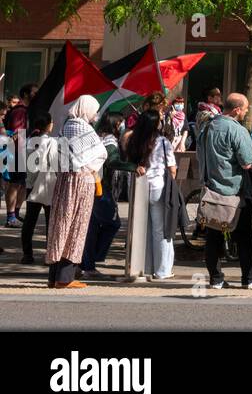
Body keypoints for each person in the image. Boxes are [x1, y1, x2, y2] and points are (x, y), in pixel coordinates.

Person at [198, 92, 252, 290]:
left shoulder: (207, 127)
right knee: (244, 237)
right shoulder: (238, 131)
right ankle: (248, 279)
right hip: (236, 193)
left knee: (213, 236)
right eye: (244, 109)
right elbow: (247, 162)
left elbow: (201, 157)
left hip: (211, 190)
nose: (245, 113)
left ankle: (216, 278)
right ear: (236, 110)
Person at [44, 95, 108, 289]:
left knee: (60, 225)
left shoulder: (66, 125)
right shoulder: (83, 128)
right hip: (81, 181)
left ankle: (54, 276)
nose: (95, 114)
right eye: (94, 110)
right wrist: (90, 167)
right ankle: (65, 278)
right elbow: (100, 152)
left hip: (64, 180)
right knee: (76, 227)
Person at [124, 108, 179, 282]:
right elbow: (172, 168)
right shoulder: (163, 142)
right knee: (159, 230)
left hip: (139, 187)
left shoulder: (132, 140)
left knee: (142, 230)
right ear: (156, 123)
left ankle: (145, 267)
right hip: (158, 187)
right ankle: (162, 270)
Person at [81, 112, 129, 278]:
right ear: (116, 125)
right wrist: (131, 166)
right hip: (102, 189)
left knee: (92, 227)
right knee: (112, 223)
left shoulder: (98, 137)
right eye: (121, 123)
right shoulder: (110, 143)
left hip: (94, 187)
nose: (123, 126)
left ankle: (87, 264)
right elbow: (112, 162)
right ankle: (93, 258)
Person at [19, 109, 58, 265]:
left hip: (31, 185)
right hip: (48, 185)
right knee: (51, 222)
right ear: (48, 125)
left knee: (29, 220)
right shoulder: (52, 142)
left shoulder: (29, 141)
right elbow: (55, 163)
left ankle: (27, 254)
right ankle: (49, 255)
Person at [4, 83, 35, 227]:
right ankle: (10, 217)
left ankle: (15, 214)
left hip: (22, 150)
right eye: (34, 92)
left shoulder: (27, 110)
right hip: (16, 151)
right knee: (15, 184)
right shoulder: (20, 111)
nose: (37, 95)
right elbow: (17, 133)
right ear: (26, 94)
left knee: (22, 184)